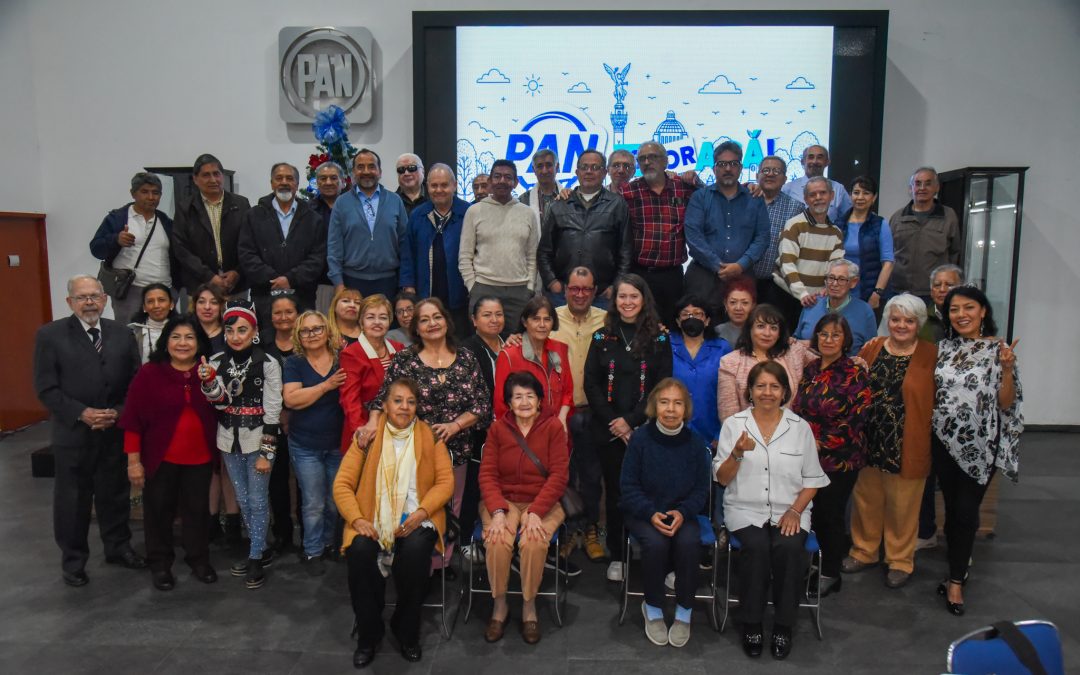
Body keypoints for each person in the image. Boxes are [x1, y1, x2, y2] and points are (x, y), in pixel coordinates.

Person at [363, 298, 493, 568]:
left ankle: (442, 564)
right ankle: (417, 564)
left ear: (446, 320)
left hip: (456, 448)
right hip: (414, 450)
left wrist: (455, 425)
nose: (432, 323)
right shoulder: (405, 359)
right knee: (416, 505)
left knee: (452, 504)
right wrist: (372, 422)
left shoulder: (466, 357)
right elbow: (383, 400)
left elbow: (482, 404)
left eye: (437, 317)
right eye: (424, 319)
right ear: (416, 328)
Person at [33, 275, 145, 587]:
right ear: (70, 302)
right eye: (82, 297)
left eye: (95, 295)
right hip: (74, 435)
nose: (89, 302)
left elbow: (136, 383)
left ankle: (118, 548)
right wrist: (81, 413)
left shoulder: (122, 334)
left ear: (106, 299)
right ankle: (73, 561)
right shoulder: (50, 336)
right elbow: (45, 388)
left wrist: (118, 413)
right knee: (73, 500)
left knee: (115, 494)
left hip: (113, 431)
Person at [334, 377, 454, 668]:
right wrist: (358, 518)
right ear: (385, 406)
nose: (404, 407)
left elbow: (445, 482)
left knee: (414, 554)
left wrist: (423, 512)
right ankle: (369, 634)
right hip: (371, 517)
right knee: (360, 552)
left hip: (418, 516)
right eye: (398, 401)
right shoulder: (367, 438)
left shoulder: (430, 436)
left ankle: (406, 630)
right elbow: (342, 484)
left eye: (411, 402)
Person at [714, 361, 829, 660]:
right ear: (749, 391)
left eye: (774, 386)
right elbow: (723, 479)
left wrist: (794, 511)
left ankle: (783, 625)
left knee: (790, 549)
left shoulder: (799, 428)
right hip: (744, 509)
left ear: (784, 391)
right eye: (760, 386)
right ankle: (751, 622)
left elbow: (813, 481)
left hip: (791, 509)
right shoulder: (734, 425)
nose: (767, 392)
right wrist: (737, 453)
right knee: (756, 548)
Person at [932, 286, 1023, 615]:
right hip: (943, 441)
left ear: (983, 311)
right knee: (954, 510)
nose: (961, 315)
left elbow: (1006, 402)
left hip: (981, 447)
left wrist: (1008, 369)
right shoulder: (942, 348)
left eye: (968, 307)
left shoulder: (999, 349)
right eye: (954, 309)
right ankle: (959, 561)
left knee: (967, 512)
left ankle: (956, 582)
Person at [842, 294, 936, 589]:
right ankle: (864, 551)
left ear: (919, 324)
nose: (901, 325)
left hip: (907, 442)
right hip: (870, 440)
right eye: (895, 319)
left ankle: (899, 560)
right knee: (866, 501)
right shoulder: (872, 347)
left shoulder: (931, 354)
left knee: (903, 506)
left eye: (909, 321)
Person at [584, 274, 673, 581]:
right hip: (609, 431)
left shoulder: (660, 338)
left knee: (654, 493)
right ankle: (619, 556)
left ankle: (656, 553)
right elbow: (591, 384)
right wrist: (616, 423)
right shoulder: (601, 337)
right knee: (617, 493)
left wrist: (633, 421)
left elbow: (662, 385)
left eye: (634, 296)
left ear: (644, 299)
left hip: (647, 429)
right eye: (622, 296)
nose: (628, 302)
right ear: (614, 301)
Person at [120, 315, 217, 590]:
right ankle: (160, 564)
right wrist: (133, 461)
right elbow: (132, 420)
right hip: (160, 458)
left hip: (200, 458)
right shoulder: (150, 373)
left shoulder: (209, 371)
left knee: (197, 511)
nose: (183, 343)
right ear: (166, 341)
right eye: (176, 337)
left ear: (199, 343)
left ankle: (198, 559)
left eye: (189, 337)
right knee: (158, 512)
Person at [479, 371, 569, 645]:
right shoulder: (497, 429)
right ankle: (500, 604)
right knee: (497, 540)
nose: (525, 402)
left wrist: (535, 512)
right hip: (503, 500)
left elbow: (559, 476)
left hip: (543, 500)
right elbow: (487, 474)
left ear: (540, 401)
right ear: (508, 402)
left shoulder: (553, 427)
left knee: (534, 540)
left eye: (530, 396)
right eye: (518, 397)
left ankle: (529, 606)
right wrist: (496, 512)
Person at [198, 300, 283, 589]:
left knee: (257, 499)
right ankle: (260, 546)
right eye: (230, 330)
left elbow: (273, 410)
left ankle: (256, 554)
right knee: (243, 497)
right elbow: (219, 402)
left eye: (242, 330)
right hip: (228, 438)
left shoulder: (268, 363)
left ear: (254, 331)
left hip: (258, 437)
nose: (236, 336)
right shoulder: (217, 361)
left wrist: (267, 451)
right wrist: (209, 382)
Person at [620, 378, 711, 648]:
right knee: (656, 544)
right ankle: (654, 607)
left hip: (683, 512)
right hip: (644, 512)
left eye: (677, 403)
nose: (670, 409)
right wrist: (650, 513)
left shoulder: (695, 443)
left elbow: (700, 491)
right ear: (654, 406)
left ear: (686, 409)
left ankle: (685, 610)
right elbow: (628, 486)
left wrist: (683, 512)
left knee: (688, 542)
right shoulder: (640, 439)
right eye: (664, 402)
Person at [790, 314, 871, 598]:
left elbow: (857, 418)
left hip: (839, 458)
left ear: (845, 339)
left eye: (835, 335)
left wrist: (821, 443)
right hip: (807, 456)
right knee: (812, 514)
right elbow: (799, 409)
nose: (828, 340)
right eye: (823, 334)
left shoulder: (854, 372)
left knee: (830, 515)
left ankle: (830, 573)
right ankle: (816, 564)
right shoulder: (811, 369)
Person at [550, 267, 608, 562]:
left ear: (595, 291)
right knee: (564, 476)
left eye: (586, 289)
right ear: (565, 289)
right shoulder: (550, 318)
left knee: (592, 475)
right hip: (559, 414)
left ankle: (592, 529)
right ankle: (569, 529)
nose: (580, 294)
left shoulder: (606, 320)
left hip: (593, 412)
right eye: (575, 288)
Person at [282, 311, 347, 576]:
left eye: (317, 329)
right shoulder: (294, 363)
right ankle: (312, 550)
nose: (312, 335)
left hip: (338, 444)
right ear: (298, 336)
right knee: (312, 502)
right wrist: (326, 386)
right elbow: (291, 400)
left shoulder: (342, 358)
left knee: (335, 501)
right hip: (305, 444)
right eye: (305, 331)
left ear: (328, 331)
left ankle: (332, 544)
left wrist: (314, 391)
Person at [538, 149, 632, 307]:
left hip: (603, 294)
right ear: (576, 172)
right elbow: (544, 251)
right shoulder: (559, 204)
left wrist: (616, 286)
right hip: (563, 293)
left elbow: (626, 252)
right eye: (584, 167)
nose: (589, 172)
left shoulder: (617, 204)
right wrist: (552, 282)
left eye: (595, 168)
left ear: (604, 173)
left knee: (601, 333)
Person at [620, 141, 698, 327]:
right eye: (642, 159)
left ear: (666, 161)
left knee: (672, 327)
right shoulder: (629, 191)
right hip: (639, 273)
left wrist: (752, 187)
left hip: (673, 275)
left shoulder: (683, 187)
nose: (647, 162)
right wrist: (569, 191)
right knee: (638, 326)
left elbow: (715, 192)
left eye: (652, 157)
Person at [238, 162, 327, 325]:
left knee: (303, 341)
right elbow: (246, 253)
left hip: (302, 296)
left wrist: (290, 279)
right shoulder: (253, 215)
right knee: (267, 341)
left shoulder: (313, 219)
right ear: (271, 183)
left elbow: (317, 258)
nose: (284, 182)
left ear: (297, 184)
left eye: (289, 178)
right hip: (264, 294)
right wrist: (273, 279)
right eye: (279, 178)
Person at [684, 141, 770, 302]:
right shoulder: (700, 197)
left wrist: (740, 265)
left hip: (743, 275)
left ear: (741, 167)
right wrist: (718, 265)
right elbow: (693, 236)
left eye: (733, 163)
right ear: (714, 168)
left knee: (742, 326)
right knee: (701, 324)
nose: (728, 168)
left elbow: (762, 237)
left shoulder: (755, 199)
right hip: (703, 276)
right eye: (722, 164)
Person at [89, 171, 179, 324]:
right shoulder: (117, 218)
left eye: (155, 193)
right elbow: (96, 248)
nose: (151, 197)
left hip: (164, 288)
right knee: (130, 336)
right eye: (144, 192)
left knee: (167, 336)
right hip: (131, 291)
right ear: (133, 194)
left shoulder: (165, 221)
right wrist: (116, 239)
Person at [459, 159, 539, 327]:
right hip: (483, 288)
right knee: (483, 344)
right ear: (490, 181)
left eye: (508, 177)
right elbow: (465, 256)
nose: (502, 181)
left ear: (516, 182)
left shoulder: (527, 213)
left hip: (519, 292)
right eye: (497, 176)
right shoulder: (474, 211)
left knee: (516, 345)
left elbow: (532, 255)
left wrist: (529, 287)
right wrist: (473, 287)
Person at [458, 296, 506, 563]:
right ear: (474, 320)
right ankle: (466, 538)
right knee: (473, 486)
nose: (494, 319)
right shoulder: (466, 350)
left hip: (508, 430)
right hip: (477, 431)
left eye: (498, 314)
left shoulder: (510, 344)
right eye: (487, 315)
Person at [327, 149, 409, 299]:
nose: (366, 171)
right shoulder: (342, 203)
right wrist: (338, 284)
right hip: (351, 282)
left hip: (388, 282)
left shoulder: (395, 201)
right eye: (360, 167)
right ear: (353, 172)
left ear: (380, 171)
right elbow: (334, 247)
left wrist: (406, 282)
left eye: (371, 166)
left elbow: (405, 245)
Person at [400, 164, 470, 334]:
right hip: (426, 293)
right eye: (434, 185)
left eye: (444, 185)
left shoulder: (468, 213)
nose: (439, 190)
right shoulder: (418, 215)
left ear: (454, 185)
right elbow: (407, 253)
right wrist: (408, 286)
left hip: (459, 295)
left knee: (458, 341)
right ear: (427, 186)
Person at [718, 304, 818, 423]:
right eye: (761, 326)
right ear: (749, 329)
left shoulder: (794, 352)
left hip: (792, 431)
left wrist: (811, 342)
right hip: (748, 435)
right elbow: (728, 415)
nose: (767, 333)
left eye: (773, 328)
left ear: (780, 333)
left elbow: (828, 363)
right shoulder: (730, 362)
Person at [172, 154, 250, 296]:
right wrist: (209, 276)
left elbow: (250, 243)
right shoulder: (185, 208)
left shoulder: (241, 204)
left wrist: (237, 272)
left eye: (216, 174)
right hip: (199, 285)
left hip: (235, 285)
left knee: (237, 318)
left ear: (223, 176)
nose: (213, 180)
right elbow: (181, 249)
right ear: (195, 179)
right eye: (206, 175)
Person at [773, 177, 845, 328]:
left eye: (822, 193)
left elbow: (835, 267)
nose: (818, 198)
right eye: (812, 194)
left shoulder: (836, 233)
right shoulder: (794, 225)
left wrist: (827, 289)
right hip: (789, 298)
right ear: (806, 199)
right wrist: (803, 294)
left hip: (818, 300)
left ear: (831, 196)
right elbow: (787, 264)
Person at [340, 294, 406, 454]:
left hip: (399, 430)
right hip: (365, 432)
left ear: (389, 321)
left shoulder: (399, 348)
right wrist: (362, 431)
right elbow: (350, 399)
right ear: (361, 322)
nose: (377, 322)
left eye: (382, 317)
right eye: (370, 317)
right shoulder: (351, 353)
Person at [493, 295, 573, 426]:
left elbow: (568, 392)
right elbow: (501, 405)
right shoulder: (509, 355)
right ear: (525, 322)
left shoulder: (560, 349)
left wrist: (562, 419)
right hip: (523, 432)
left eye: (547, 319)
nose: (542, 325)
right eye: (536, 319)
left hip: (558, 427)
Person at [261, 294, 300, 554]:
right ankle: (282, 534)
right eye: (278, 312)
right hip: (271, 422)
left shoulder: (307, 341)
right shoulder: (262, 345)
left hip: (303, 421)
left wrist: (292, 413)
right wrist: (279, 415)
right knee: (276, 481)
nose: (284, 317)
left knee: (304, 481)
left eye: (289, 312)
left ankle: (309, 536)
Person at [889, 167, 961, 301]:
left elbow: (955, 252)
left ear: (937, 188)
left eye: (928, 183)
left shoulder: (948, 216)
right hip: (899, 291)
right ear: (910, 189)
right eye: (917, 184)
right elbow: (888, 253)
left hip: (934, 292)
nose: (922, 188)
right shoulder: (897, 217)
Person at [750, 157, 804, 317]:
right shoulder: (746, 199)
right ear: (757, 175)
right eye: (765, 170)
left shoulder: (796, 207)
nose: (770, 174)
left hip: (776, 284)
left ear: (785, 179)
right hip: (744, 280)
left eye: (776, 171)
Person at [793, 259, 877, 355]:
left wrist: (813, 344)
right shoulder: (812, 304)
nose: (834, 284)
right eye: (831, 278)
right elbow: (796, 340)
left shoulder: (865, 311)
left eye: (841, 279)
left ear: (853, 282)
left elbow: (871, 351)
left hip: (847, 367)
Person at [837, 176, 894, 308]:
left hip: (870, 294)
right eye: (856, 193)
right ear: (850, 196)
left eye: (866, 193)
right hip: (842, 292)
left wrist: (877, 293)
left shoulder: (880, 224)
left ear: (874, 197)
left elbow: (888, 263)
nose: (860, 197)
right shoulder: (839, 224)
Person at [780, 145, 852, 223]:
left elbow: (849, 219)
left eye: (820, 157)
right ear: (802, 161)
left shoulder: (838, 189)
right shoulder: (787, 189)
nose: (815, 161)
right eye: (811, 157)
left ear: (827, 162)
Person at [128, 283, 177, 364]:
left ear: (171, 304)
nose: (156, 305)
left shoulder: (183, 329)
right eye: (150, 301)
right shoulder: (133, 332)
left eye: (161, 300)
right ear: (144, 307)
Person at [919, 264, 964, 343]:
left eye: (949, 285)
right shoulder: (921, 319)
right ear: (931, 291)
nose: (942, 289)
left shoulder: (971, 320)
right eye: (937, 285)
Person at [519, 148, 560, 225]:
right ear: (534, 170)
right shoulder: (523, 200)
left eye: (549, 165)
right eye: (540, 166)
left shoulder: (569, 198)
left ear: (557, 167)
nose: (544, 171)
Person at [715, 276, 756, 345]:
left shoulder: (761, 332)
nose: (738, 308)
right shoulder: (717, 332)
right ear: (725, 304)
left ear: (753, 306)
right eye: (733, 302)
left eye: (745, 303)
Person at [192, 283, 226, 356]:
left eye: (214, 302)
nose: (207, 307)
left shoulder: (229, 333)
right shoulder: (186, 331)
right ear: (195, 305)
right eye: (201, 302)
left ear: (221, 306)